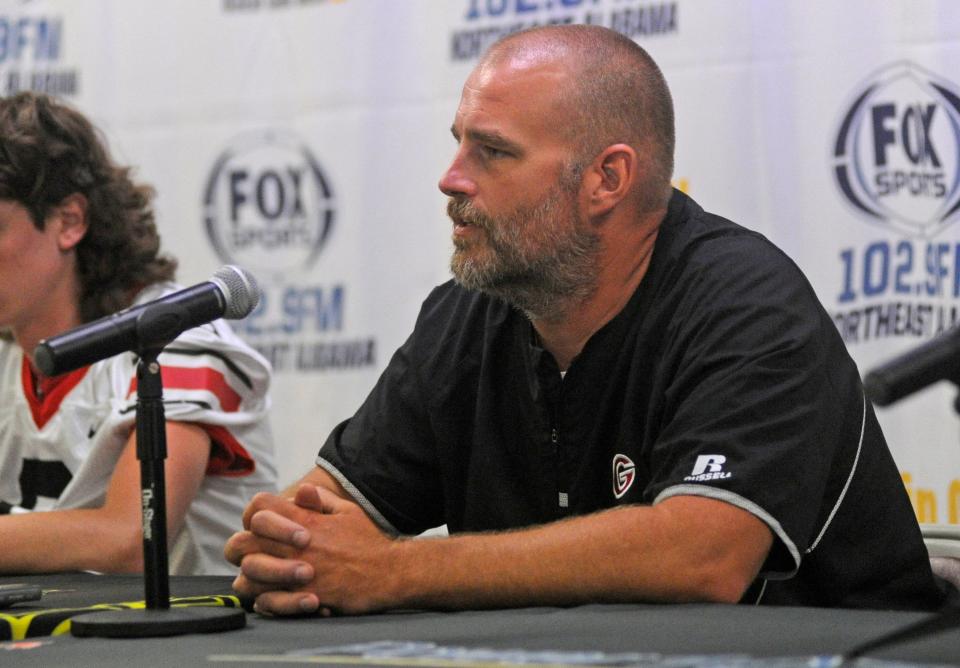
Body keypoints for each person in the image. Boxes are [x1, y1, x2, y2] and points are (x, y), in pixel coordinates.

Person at [226, 24, 950, 613]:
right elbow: (320, 516)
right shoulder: (469, 313)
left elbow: (702, 555)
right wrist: (288, 548)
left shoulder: (746, 302)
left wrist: (395, 571)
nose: (451, 178)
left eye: (493, 151)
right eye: (457, 142)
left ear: (607, 178)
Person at [0, 91, 277, 575]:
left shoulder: (180, 342)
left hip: (191, 645)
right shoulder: (9, 352)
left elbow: (131, 538)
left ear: (70, 221)